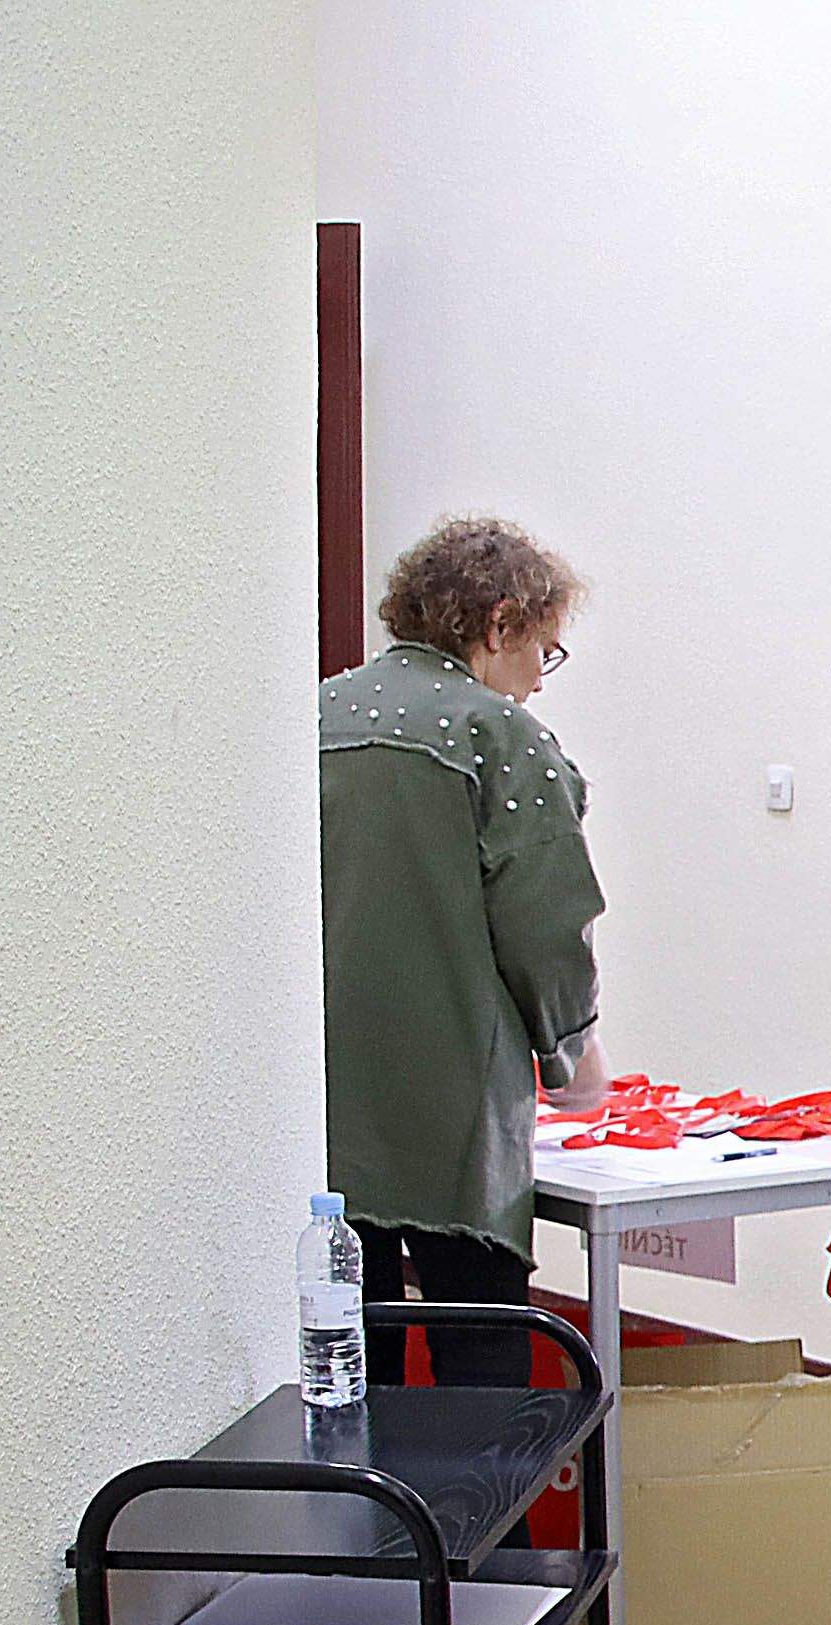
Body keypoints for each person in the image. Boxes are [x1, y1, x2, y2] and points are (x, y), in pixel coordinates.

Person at [320, 515, 611, 1391]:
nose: (536, 681)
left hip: (321, 1120)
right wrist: (573, 1054)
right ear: (499, 624)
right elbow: (545, 923)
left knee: (345, 1378)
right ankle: (481, 1534)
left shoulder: (315, 716)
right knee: (480, 1384)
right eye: (542, 651)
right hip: (454, 1124)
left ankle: (373, 1531)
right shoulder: (496, 735)